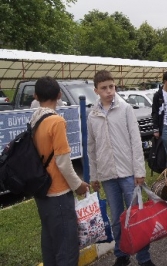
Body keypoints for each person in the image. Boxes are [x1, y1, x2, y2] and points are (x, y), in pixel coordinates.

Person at [88, 70, 155, 266]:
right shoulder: (93, 114)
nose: (109, 91)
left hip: (128, 173)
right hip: (107, 175)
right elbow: (91, 148)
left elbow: (136, 141)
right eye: (104, 88)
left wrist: (139, 171)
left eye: (111, 86)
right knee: (117, 218)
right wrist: (94, 175)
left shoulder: (125, 109)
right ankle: (121, 254)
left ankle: (144, 258)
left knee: (136, 216)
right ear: (96, 91)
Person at [31, 76, 88, 266]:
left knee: (49, 244)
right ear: (59, 94)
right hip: (58, 193)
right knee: (66, 249)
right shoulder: (56, 121)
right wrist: (78, 185)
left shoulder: (35, 118)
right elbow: (63, 162)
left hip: (42, 192)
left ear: (36, 96)